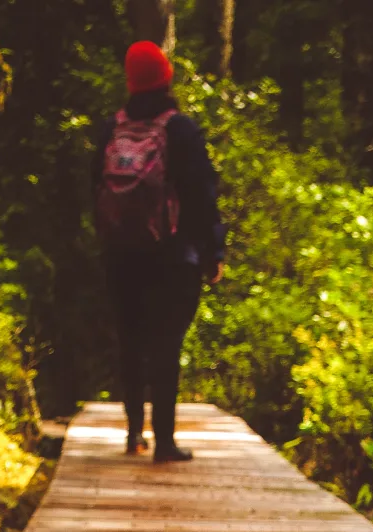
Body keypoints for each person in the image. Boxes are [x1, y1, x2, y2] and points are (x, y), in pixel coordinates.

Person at [92, 40, 225, 461]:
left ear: (130, 80)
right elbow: (203, 195)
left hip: (121, 255)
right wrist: (212, 252)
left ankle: (134, 434)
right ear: (166, 76)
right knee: (167, 345)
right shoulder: (180, 129)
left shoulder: (109, 130)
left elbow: (91, 191)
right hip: (172, 256)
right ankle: (164, 442)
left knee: (131, 339)